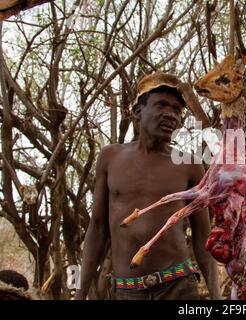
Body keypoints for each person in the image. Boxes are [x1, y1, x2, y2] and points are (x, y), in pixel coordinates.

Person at [75, 73, 220, 300]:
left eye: (177, 110)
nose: (171, 115)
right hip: (126, 291)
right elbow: (98, 228)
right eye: (161, 105)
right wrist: (80, 294)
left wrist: (216, 296)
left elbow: (203, 236)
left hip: (178, 287)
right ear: (138, 112)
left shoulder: (190, 165)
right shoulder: (110, 158)